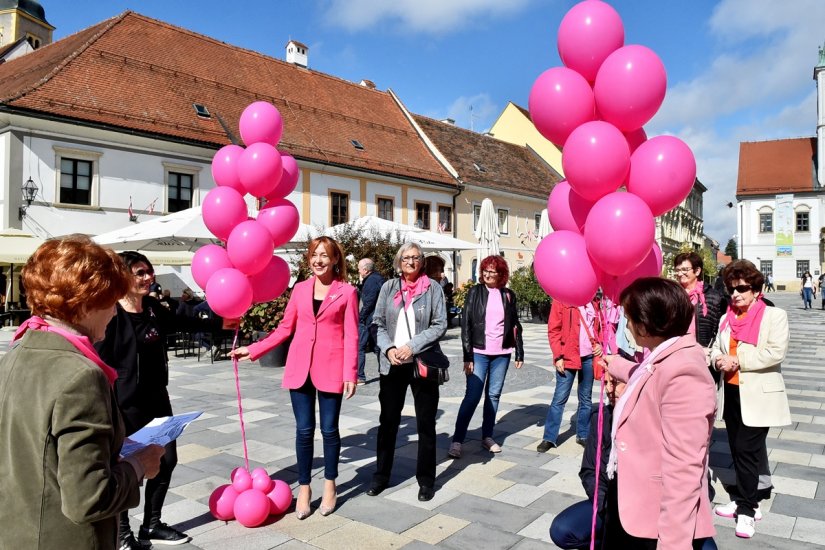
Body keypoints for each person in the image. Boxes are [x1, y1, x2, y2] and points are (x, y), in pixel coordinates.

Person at [0, 236, 164, 549]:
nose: (115, 313)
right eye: (110, 301)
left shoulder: (18, 351)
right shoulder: (81, 376)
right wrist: (140, 464)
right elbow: (89, 499)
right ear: (87, 302)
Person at [231, 236, 358, 519]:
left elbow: (352, 336)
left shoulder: (347, 292)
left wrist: (350, 373)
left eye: (325, 255)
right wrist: (252, 349)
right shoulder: (300, 290)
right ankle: (304, 487)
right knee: (303, 431)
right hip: (300, 368)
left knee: (329, 430)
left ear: (335, 259)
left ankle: (330, 485)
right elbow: (283, 329)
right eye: (314, 254)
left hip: (331, 368)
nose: (318, 260)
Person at [603, 277, 717, 549]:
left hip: (654, 515)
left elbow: (684, 468)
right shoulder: (664, 355)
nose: (627, 325)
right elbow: (646, 375)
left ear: (644, 325)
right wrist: (615, 364)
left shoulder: (684, 372)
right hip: (633, 496)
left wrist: (673, 543)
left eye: (629, 319)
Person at [95, 251, 192, 548]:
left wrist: (226, 318)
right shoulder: (111, 315)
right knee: (125, 466)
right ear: (123, 276)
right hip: (125, 404)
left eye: (149, 271)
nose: (148, 277)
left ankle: (151, 525)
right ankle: (122, 533)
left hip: (157, 400)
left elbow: (187, 318)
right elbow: (100, 362)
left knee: (167, 461)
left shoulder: (153, 309)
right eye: (140, 272)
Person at [710, 260, 791, 539]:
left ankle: (746, 510)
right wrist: (717, 358)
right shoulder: (725, 319)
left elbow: (775, 353)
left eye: (742, 288)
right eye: (731, 289)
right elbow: (715, 349)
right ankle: (745, 498)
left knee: (746, 450)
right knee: (737, 448)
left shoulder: (773, 316)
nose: (735, 294)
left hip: (759, 395)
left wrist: (738, 359)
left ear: (756, 289)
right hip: (731, 393)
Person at [367, 242, 447, 502]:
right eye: (406, 258)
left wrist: (411, 347)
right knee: (388, 422)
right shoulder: (389, 287)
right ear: (399, 261)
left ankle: (426, 481)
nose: (411, 262)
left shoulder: (433, 288)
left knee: (426, 423)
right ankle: (381, 476)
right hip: (393, 363)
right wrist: (389, 349)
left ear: (422, 261)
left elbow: (439, 325)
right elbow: (377, 322)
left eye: (416, 257)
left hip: (420, 362)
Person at [449, 254, 523, 458]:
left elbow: (515, 324)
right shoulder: (475, 292)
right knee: (472, 396)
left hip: (502, 353)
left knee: (493, 396)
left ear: (501, 274)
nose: (488, 274)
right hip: (478, 352)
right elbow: (466, 325)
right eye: (485, 270)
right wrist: (467, 356)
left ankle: (487, 436)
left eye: (493, 271)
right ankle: (457, 440)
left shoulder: (508, 294)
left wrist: (519, 351)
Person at [549, 372, 626, 549]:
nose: (608, 389)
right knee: (561, 530)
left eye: (616, 383)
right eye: (606, 383)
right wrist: (603, 504)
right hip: (607, 502)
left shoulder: (648, 421)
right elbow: (589, 470)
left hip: (639, 510)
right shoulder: (601, 417)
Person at [538, 296, 601, 452]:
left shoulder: (594, 302)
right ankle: (549, 437)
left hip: (588, 357)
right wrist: (557, 355)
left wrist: (599, 344)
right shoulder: (562, 300)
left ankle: (583, 434)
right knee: (559, 398)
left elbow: (599, 328)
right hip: (567, 357)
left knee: (586, 398)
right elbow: (554, 330)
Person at [673, 251, 725, 381]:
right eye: (677, 270)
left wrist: (711, 349)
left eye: (685, 269)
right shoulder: (671, 295)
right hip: (677, 353)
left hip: (702, 354)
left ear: (697, 271)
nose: (680, 273)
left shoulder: (713, 296)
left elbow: (720, 327)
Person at [357, 257, 385, 384]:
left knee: (360, 347)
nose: (358, 271)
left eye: (359, 269)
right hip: (378, 319)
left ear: (365, 270)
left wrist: (361, 317)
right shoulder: (379, 278)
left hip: (369, 320)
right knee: (377, 347)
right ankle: (384, 373)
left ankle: (359, 376)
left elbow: (368, 302)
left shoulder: (371, 281)